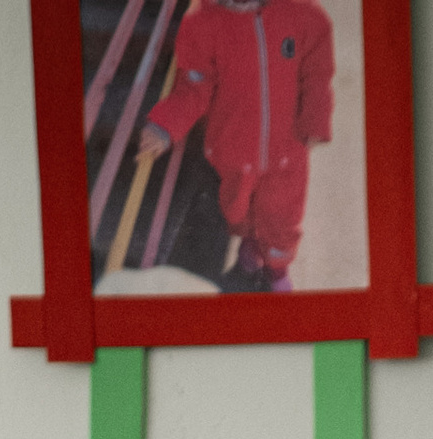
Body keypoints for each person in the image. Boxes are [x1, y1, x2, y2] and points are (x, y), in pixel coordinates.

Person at [137, 0, 335, 293]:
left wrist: (315, 120)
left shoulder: (303, 14)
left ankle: (276, 269)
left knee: (282, 216)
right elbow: (193, 87)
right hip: (232, 150)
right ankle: (251, 243)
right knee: (237, 211)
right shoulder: (202, 24)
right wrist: (165, 125)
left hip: (287, 152)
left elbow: (316, 74)